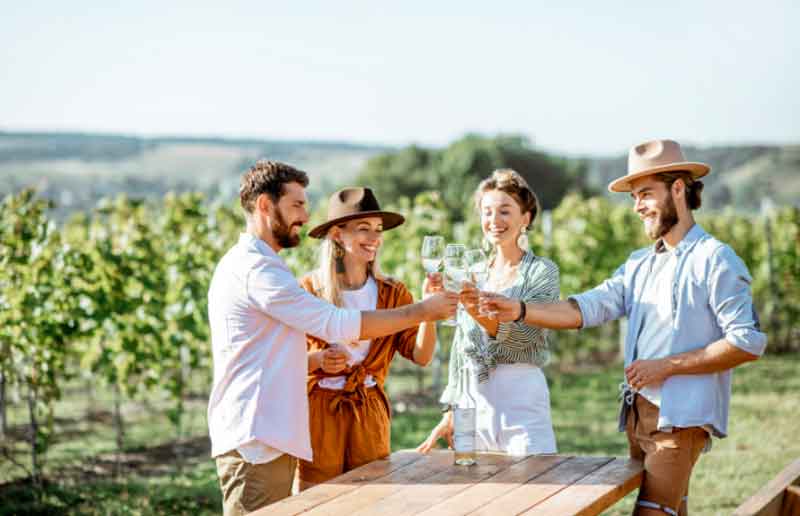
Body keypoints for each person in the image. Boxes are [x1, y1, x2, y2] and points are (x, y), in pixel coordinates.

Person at [479, 139, 767, 516]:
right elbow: (587, 308)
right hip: (638, 416)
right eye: (633, 197)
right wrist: (518, 308)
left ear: (678, 189)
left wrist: (664, 366)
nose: (637, 207)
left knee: (651, 512)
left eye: (645, 194)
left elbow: (746, 342)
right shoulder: (639, 264)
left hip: (680, 420)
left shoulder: (716, 259)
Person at [207, 161, 458, 515]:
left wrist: (422, 312)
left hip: (274, 433)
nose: (305, 215)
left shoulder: (266, 266)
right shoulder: (260, 270)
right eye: (297, 205)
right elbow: (334, 322)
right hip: (258, 436)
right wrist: (423, 311)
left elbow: (275, 352)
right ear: (265, 205)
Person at [297, 187, 443, 489]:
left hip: (368, 412)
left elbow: (422, 356)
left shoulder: (392, 293)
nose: (375, 238)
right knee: (317, 500)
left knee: (371, 498)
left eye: (378, 230)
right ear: (338, 235)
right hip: (320, 414)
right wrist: (317, 360)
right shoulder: (308, 290)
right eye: (364, 229)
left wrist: (428, 310)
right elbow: (284, 359)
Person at [417, 169, 560, 456]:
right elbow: (461, 349)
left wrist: (476, 311)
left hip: (520, 398)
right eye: (487, 212)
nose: (494, 221)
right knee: (474, 493)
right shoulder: (471, 273)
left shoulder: (542, 272)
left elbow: (526, 337)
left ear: (526, 218)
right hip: (472, 402)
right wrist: (450, 411)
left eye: (505, 212)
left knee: (533, 489)